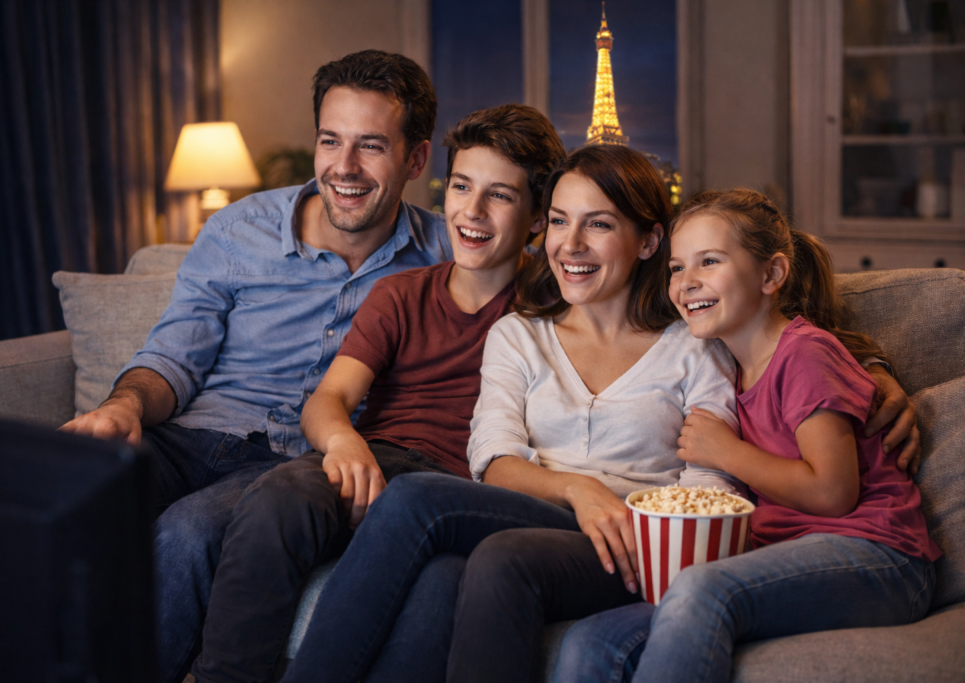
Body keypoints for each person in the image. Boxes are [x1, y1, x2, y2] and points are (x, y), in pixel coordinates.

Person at [282, 148, 925, 683]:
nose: (570, 244)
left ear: (649, 242)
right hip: (543, 512)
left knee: (431, 512)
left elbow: (725, 462)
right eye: (559, 221)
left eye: (598, 224)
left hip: (643, 540)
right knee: (444, 564)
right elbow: (492, 459)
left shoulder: (697, 343)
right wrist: (578, 490)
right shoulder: (518, 335)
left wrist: (873, 369)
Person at [58, 50, 449, 683]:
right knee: (66, 494)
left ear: (416, 159)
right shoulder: (240, 229)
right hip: (188, 437)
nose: (344, 167)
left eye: (371, 146)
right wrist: (122, 406)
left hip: (294, 466)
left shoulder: (450, 256)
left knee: (187, 536)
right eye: (330, 140)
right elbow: (173, 356)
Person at [189, 104, 565, 683]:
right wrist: (344, 443)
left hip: (464, 489)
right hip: (376, 462)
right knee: (277, 495)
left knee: (440, 586)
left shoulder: (554, 307)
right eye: (461, 186)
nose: (473, 211)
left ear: (538, 217)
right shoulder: (400, 294)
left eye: (501, 195)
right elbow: (329, 399)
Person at [564, 189, 939, 683]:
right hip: (786, 552)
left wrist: (727, 452)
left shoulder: (804, 354)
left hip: (880, 557)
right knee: (592, 639)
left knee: (701, 589)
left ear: (771, 274)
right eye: (676, 267)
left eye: (709, 261)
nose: (687, 281)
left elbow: (833, 492)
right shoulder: (729, 368)